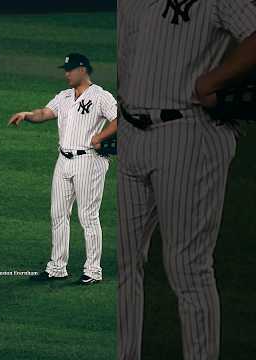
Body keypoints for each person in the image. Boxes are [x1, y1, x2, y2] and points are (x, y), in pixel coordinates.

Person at [117, 1, 256, 358]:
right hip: (130, 131)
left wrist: (217, 77)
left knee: (187, 266)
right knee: (120, 259)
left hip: (189, 133)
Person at [8, 53, 117, 285]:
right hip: (63, 161)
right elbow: (45, 113)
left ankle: (93, 270)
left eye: (70, 69)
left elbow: (120, 118)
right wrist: (27, 115)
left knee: (87, 216)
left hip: (89, 160)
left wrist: (101, 135)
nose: (66, 73)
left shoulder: (101, 96)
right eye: (65, 69)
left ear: (83, 70)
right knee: (58, 214)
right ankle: (57, 267)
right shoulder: (65, 96)